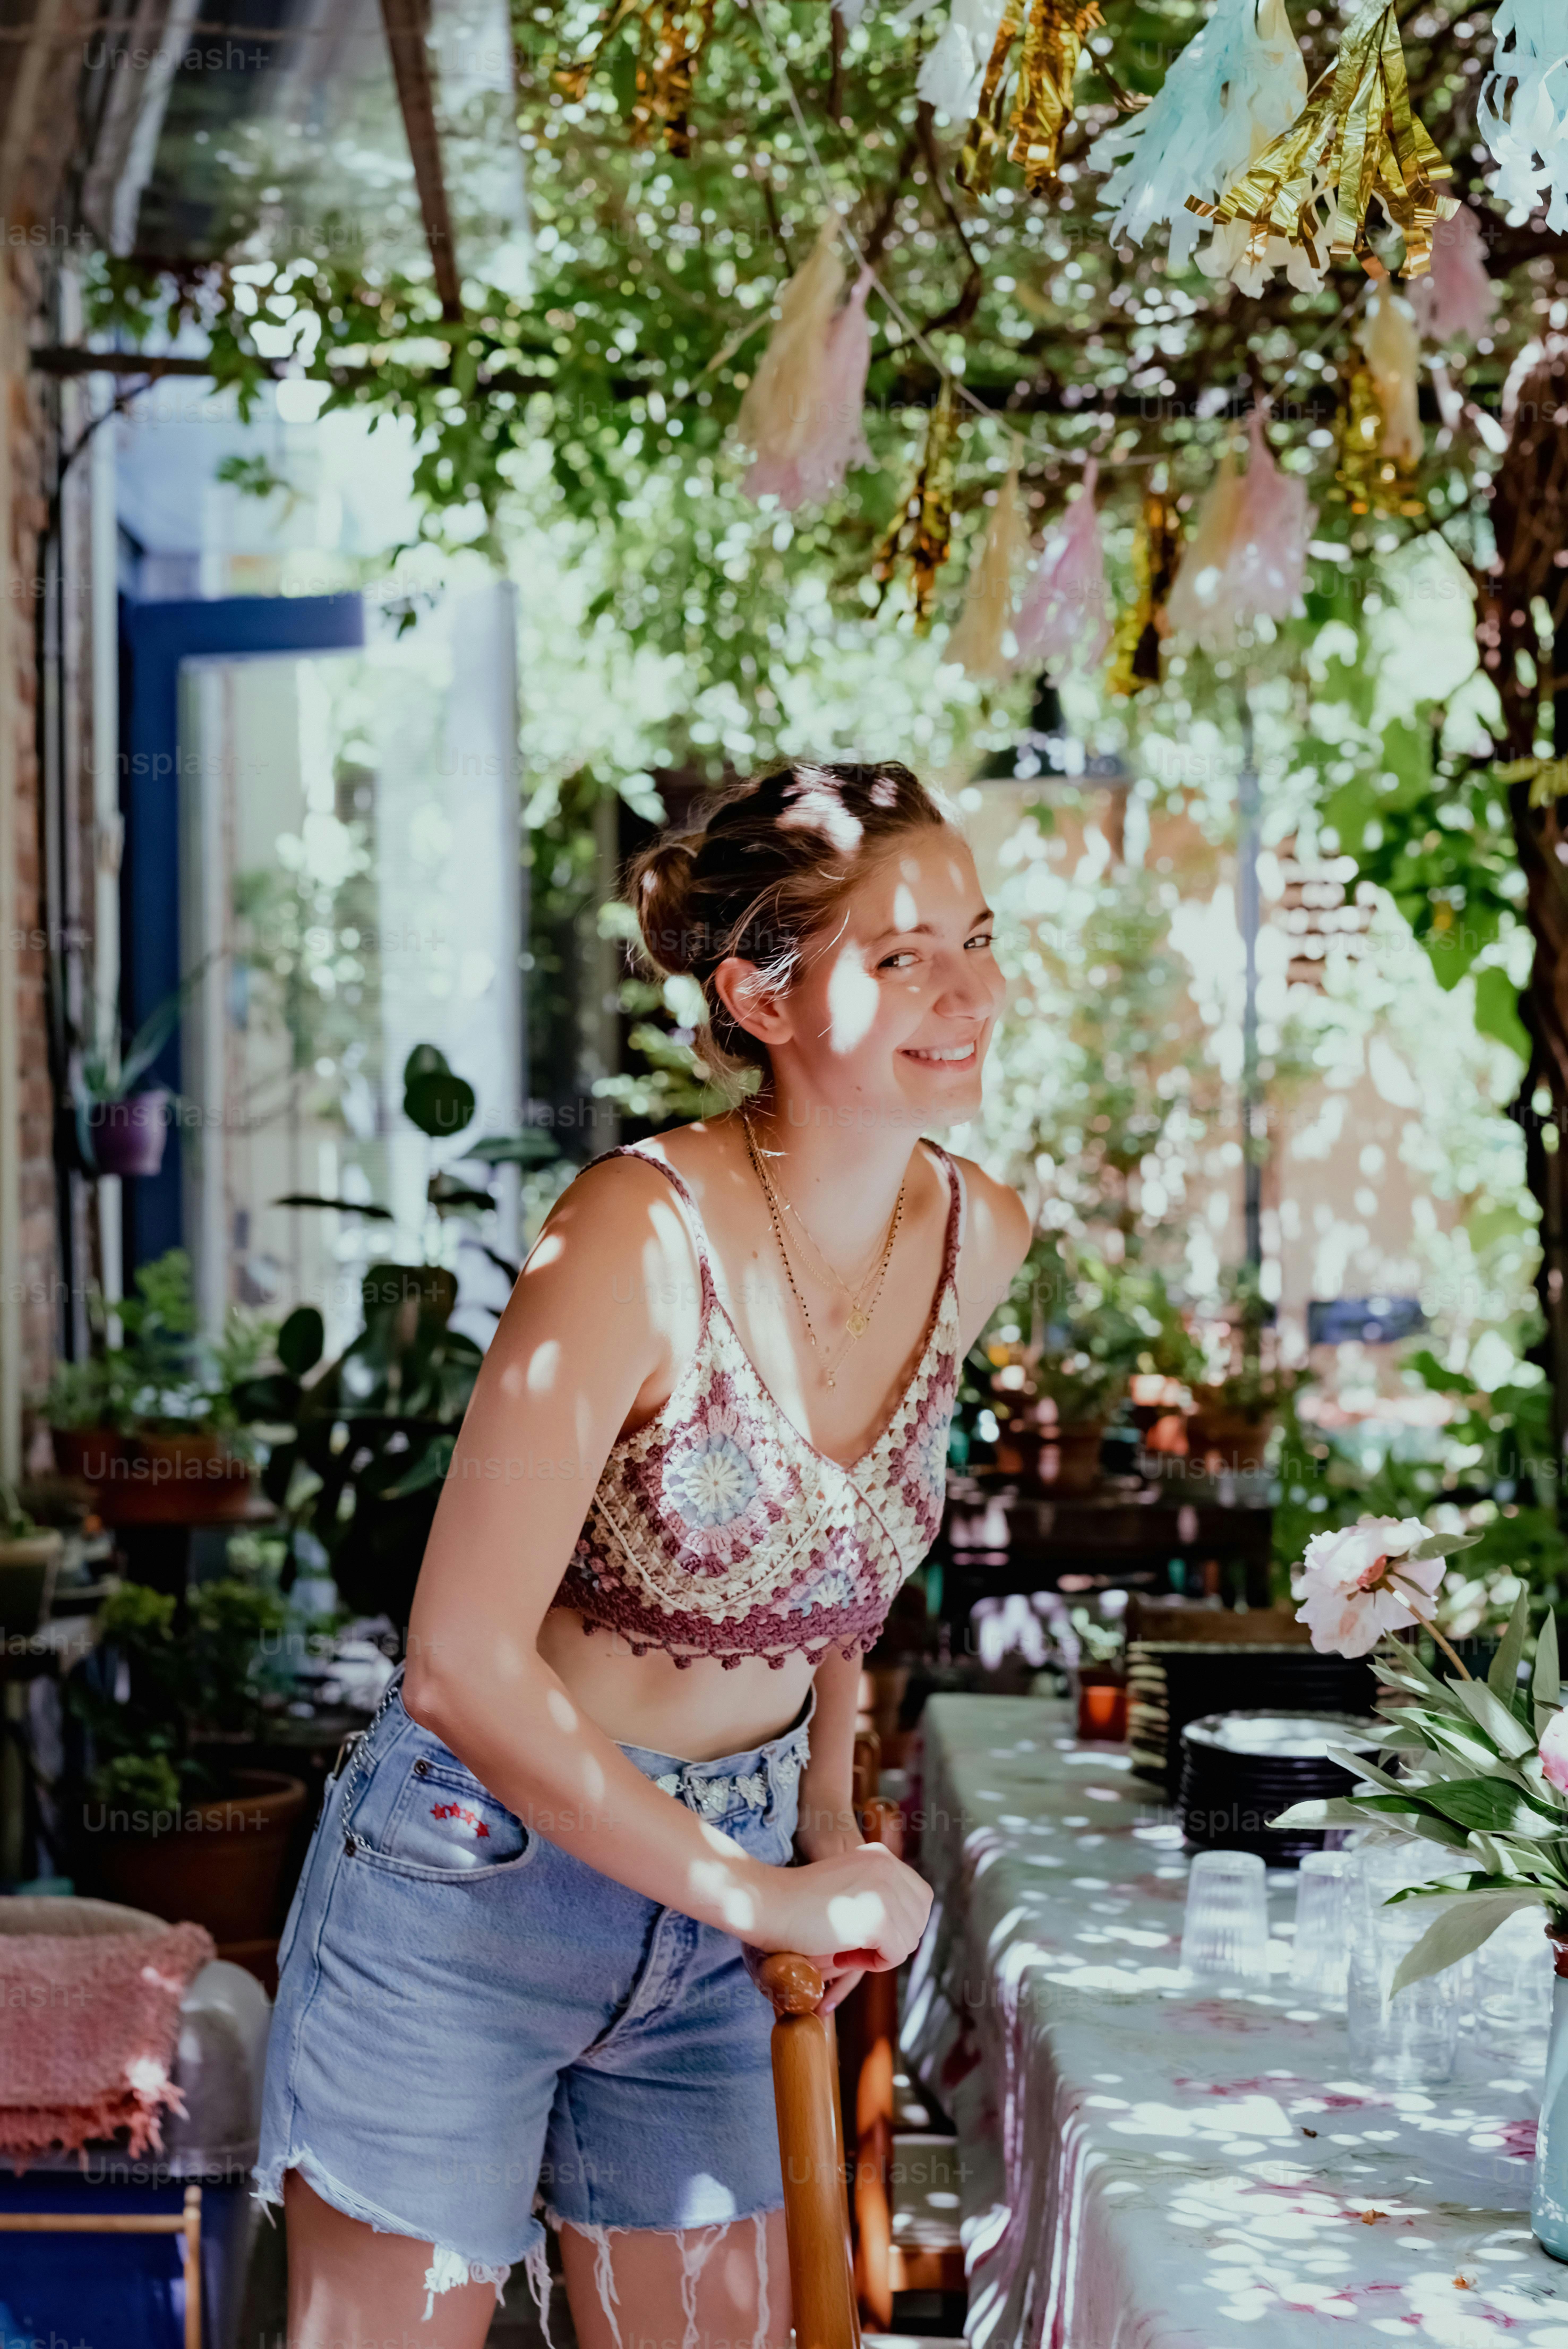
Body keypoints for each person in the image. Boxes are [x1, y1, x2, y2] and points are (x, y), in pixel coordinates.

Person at [256, 759, 1031, 2349]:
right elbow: (460, 1663)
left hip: (729, 1910)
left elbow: (841, 1561)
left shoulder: (978, 1234)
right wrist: (759, 1888)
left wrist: (816, 1810)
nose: (967, 991)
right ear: (759, 995)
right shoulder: (632, 1232)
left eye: (977, 935)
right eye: (899, 956)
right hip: (474, 1885)